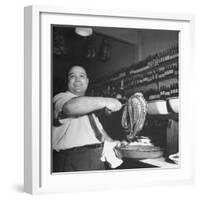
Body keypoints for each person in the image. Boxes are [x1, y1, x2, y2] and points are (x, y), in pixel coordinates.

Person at [52, 65, 122, 172]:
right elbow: (69, 108)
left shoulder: (88, 105)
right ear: (67, 81)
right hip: (73, 160)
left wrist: (114, 143)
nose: (78, 80)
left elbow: (100, 132)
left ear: (87, 81)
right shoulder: (60, 98)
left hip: (97, 159)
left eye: (81, 76)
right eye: (72, 76)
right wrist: (106, 101)